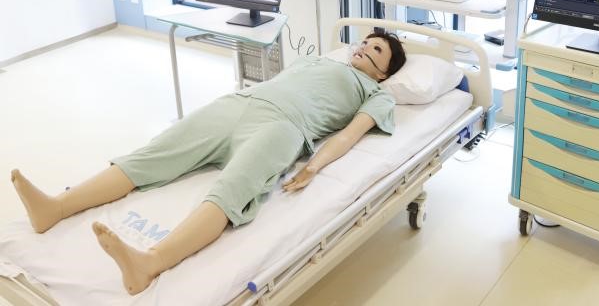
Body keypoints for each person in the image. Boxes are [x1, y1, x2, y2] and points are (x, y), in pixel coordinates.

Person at [10, 32, 407, 295]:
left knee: (232, 191)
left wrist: (313, 166)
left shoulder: (376, 94)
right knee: (155, 153)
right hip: (239, 103)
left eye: (376, 50)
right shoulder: (317, 61)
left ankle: (149, 263)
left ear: (384, 72)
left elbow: (348, 135)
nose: (364, 47)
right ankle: (55, 207)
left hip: (283, 127)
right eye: (365, 42)